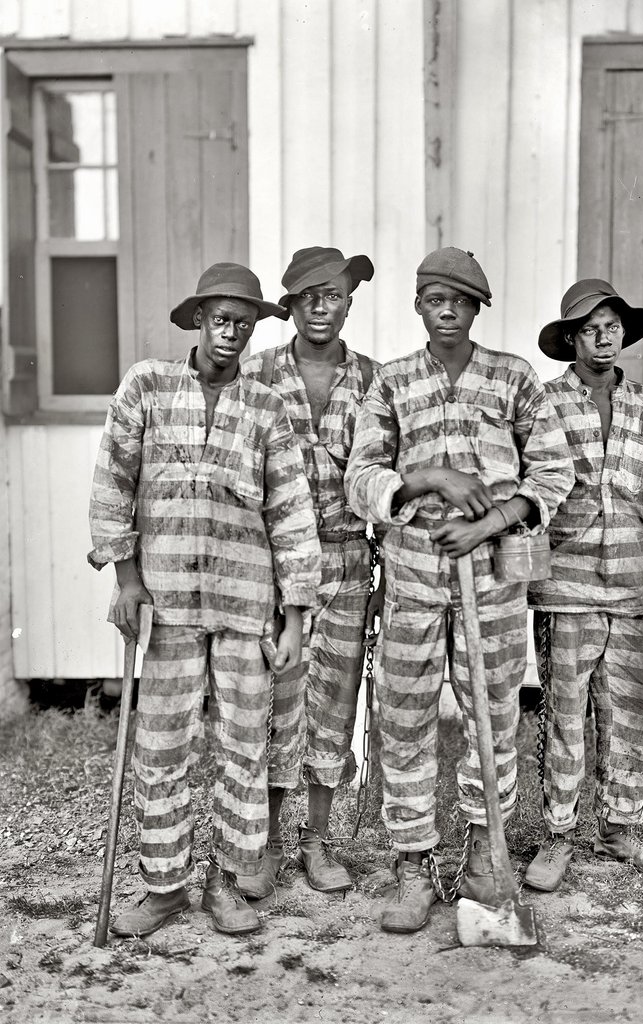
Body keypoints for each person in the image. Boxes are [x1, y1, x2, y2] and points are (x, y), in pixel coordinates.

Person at [345, 247, 574, 933]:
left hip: (494, 581)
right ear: (418, 305)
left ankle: (482, 859)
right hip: (413, 579)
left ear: (477, 309)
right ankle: (414, 865)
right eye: (434, 298)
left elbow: (554, 471)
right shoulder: (391, 383)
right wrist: (430, 479)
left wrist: (494, 523)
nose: (447, 310)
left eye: (461, 300)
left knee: (492, 716)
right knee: (405, 721)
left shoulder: (514, 379)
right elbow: (361, 477)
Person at [88, 262, 321, 937]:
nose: (231, 333)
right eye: (221, 319)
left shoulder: (268, 410)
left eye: (244, 325)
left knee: (243, 744)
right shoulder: (148, 387)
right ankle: (163, 889)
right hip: (165, 602)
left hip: (245, 605)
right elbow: (113, 483)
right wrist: (127, 580)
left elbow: (292, 515)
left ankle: (223, 882)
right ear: (197, 319)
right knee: (162, 746)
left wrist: (296, 616)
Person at [524, 278, 643, 894]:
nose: (603, 338)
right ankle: (558, 835)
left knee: (629, 713)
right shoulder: (547, 404)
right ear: (572, 340)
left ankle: (621, 829)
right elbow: (530, 486)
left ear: (624, 335)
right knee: (564, 714)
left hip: (628, 585)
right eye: (590, 329)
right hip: (565, 583)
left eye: (612, 327)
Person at [241, 246, 382, 896]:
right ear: (290, 306)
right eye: (308, 297)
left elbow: (385, 477)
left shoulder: (378, 381)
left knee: (333, 702)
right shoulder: (258, 376)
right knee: (276, 701)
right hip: (278, 569)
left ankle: (316, 842)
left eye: (334, 295)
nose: (322, 308)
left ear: (350, 300)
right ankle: (265, 842)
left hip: (350, 561)